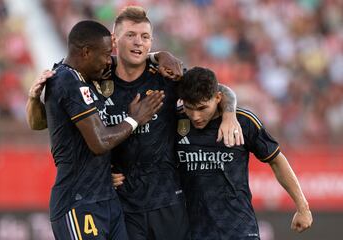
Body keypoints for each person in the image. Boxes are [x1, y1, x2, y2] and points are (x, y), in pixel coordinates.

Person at [26, 6, 243, 240]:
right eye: (130, 35)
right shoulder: (95, 76)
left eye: (145, 37)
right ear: (114, 40)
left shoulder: (166, 74)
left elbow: (217, 91)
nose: (138, 42)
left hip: (167, 202)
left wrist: (229, 114)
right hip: (122, 205)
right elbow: (59, 123)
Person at [40, 20, 164, 240]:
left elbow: (125, 62)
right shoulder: (67, 81)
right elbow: (99, 143)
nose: (109, 61)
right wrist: (135, 119)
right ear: (86, 52)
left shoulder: (84, 77)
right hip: (78, 202)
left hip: (105, 198)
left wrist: (156, 56)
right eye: (106, 54)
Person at [175, 67, 313, 239]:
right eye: (189, 108)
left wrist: (303, 207)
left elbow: (277, 161)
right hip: (192, 230)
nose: (195, 116)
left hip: (239, 229)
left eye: (202, 108)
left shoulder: (243, 122)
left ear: (218, 98)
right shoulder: (175, 121)